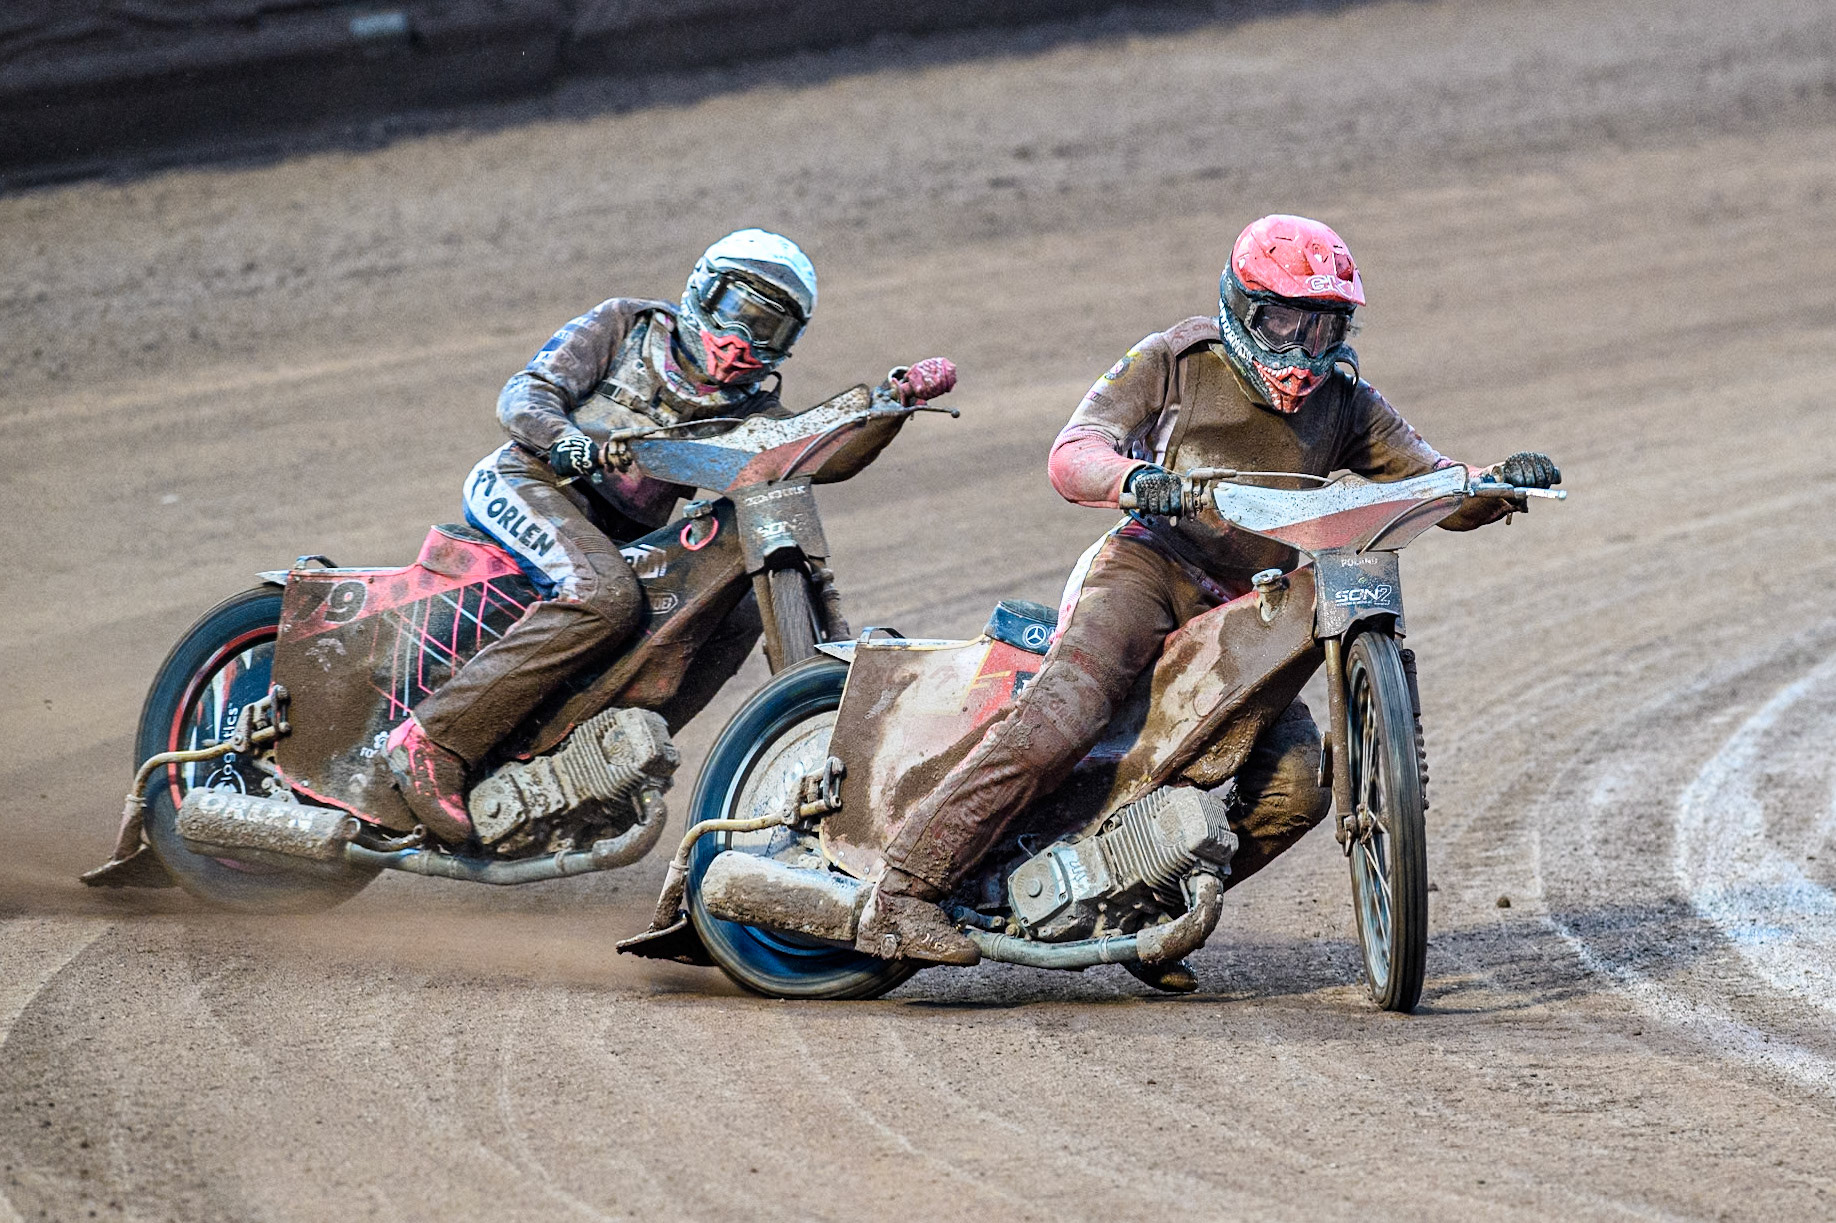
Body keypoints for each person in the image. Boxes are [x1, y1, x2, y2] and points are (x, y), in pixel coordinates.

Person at [855, 214, 1560, 978]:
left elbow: (1430, 481)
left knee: (1298, 784)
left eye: (1325, 329)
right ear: (1239, 305)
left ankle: (1143, 915)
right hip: (1149, 568)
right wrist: (1133, 480)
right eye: (1283, 320)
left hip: (1245, 608)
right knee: (1067, 715)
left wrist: (1492, 485)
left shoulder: (1348, 402)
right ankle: (902, 891)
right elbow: (1073, 451)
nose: (1302, 351)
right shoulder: (1176, 359)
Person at [385, 228, 954, 845]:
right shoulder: (626, 326)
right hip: (529, 478)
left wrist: (890, 406)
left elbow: (815, 458)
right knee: (606, 599)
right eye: (740, 313)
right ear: (702, 292)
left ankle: (600, 761)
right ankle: (431, 739)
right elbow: (525, 393)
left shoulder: (751, 411)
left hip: (624, 533)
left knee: (731, 610)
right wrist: (566, 441)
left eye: (771, 331)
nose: (743, 343)